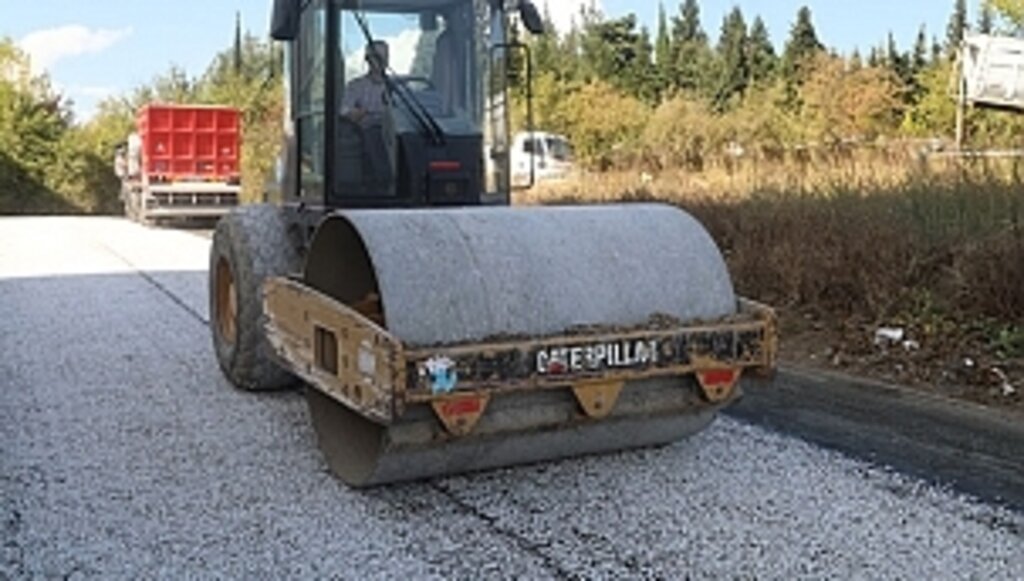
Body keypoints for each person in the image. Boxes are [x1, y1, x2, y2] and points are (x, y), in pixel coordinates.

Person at [342, 40, 390, 126]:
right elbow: (344, 111)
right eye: (377, 57)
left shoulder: (398, 88)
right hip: (362, 136)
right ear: (367, 59)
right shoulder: (355, 86)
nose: (381, 61)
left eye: (384, 57)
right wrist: (354, 113)